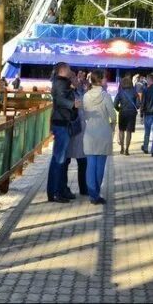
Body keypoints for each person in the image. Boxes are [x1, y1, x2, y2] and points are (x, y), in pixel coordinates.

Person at [83, 71, 117, 205]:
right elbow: (113, 115)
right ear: (101, 80)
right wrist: (112, 125)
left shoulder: (85, 96)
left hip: (90, 133)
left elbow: (85, 115)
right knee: (100, 165)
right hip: (103, 132)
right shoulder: (106, 96)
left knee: (90, 164)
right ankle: (96, 193)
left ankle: (92, 194)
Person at [47, 61, 77, 204]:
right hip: (61, 123)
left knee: (61, 159)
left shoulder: (62, 82)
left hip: (62, 122)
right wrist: (73, 104)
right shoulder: (60, 83)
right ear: (63, 70)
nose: (71, 71)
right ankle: (55, 192)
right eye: (69, 69)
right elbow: (59, 100)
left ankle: (59, 189)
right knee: (59, 159)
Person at [115, 75, 138, 155]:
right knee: (129, 132)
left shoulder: (120, 93)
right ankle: (127, 149)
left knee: (121, 130)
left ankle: (121, 148)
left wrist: (119, 109)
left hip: (123, 113)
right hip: (131, 113)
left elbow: (115, 104)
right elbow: (138, 104)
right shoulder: (134, 92)